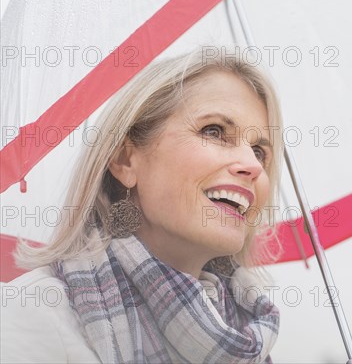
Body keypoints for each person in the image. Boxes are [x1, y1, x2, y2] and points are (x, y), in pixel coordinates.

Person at [0, 48, 284, 363]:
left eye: (259, 151)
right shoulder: (33, 317)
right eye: (214, 131)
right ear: (125, 160)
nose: (253, 165)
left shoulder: (249, 333)